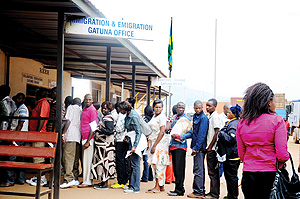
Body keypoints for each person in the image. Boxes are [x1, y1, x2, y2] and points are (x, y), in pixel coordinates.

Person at [236, 82, 289, 199]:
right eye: (274, 101)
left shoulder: (242, 123)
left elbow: (241, 155)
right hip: (270, 175)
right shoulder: (277, 121)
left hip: (249, 175)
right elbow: (282, 154)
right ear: (269, 102)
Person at [0, 93, 29, 187]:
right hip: (20, 136)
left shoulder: (23, 108)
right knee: (20, 158)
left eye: (20, 99)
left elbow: (21, 122)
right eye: (17, 98)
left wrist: (15, 137)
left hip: (18, 136)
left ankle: (9, 180)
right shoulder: (19, 108)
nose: (18, 100)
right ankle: (20, 179)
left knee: (11, 158)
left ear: (23, 99)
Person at [26, 88, 50, 186]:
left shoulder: (43, 103)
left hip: (39, 134)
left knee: (38, 157)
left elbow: (42, 117)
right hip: (35, 133)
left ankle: (42, 178)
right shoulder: (40, 103)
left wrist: (38, 132)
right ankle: (38, 177)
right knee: (35, 157)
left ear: (41, 94)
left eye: (37, 93)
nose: (35, 94)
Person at [167, 102, 192, 197]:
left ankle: (180, 189)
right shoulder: (174, 118)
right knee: (175, 169)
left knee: (179, 169)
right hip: (173, 145)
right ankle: (177, 188)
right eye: (179, 107)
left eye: (182, 107)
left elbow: (190, 133)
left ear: (184, 109)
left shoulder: (186, 119)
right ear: (176, 108)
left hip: (180, 146)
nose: (180, 109)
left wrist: (180, 136)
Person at [217, 104, 242, 199]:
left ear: (234, 114)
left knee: (231, 177)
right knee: (229, 177)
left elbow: (232, 139)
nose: (228, 113)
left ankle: (233, 196)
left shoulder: (233, 124)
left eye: (230, 112)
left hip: (232, 155)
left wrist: (221, 133)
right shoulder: (232, 122)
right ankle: (230, 195)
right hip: (231, 154)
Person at [146, 99, 170, 193]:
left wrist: (154, 145)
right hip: (154, 142)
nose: (158, 109)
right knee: (156, 165)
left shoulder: (162, 117)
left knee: (159, 165)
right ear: (153, 107)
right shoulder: (154, 116)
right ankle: (161, 186)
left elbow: (162, 131)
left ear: (162, 108)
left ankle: (157, 186)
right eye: (156, 107)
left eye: (160, 107)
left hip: (159, 143)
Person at [92, 101, 116, 189]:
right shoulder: (105, 117)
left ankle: (105, 184)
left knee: (106, 163)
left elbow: (110, 131)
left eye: (105, 108)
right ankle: (103, 182)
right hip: (102, 145)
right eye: (102, 108)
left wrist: (101, 129)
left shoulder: (108, 118)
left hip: (106, 145)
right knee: (103, 163)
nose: (103, 110)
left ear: (109, 109)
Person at [187, 100, 209, 199]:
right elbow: (194, 133)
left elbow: (201, 135)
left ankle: (199, 191)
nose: (198, 110)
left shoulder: (203, 118)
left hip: (200, 148)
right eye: (196, 108)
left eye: (199, 108)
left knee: (198, 170)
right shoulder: (195, 117)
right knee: (197, 169)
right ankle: (197, 189)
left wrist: (196, 148)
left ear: (202, 107)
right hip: (196, 147)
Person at [119, 101, 142, 193]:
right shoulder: (128, 115)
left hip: (136, 142)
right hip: (131, 140)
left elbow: (138, 131)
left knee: (135, 165)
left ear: (125, 109)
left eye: (121, 109)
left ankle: (135, 187)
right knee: (131, 164)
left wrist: (135, 146)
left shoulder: (134, 116)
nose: (120, 111)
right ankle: (131, 184)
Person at [60, 98, 82, 189]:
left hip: (70, 135)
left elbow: (67, 121)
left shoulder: (71, 107)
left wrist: (63, 134)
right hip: (78, 136)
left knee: (67, 158)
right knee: (75, 158)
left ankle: (68, 179)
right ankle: (75, 177)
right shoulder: (80, 110)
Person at [78, 94, 97, 188]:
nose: (88, 101)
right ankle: (87, 180)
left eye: (89, 100)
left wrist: (88, 141)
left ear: (92, 100)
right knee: (85, 160)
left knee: (88, 160)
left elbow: (93, 128)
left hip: (88, 139)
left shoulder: (92, 110)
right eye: (86, 100)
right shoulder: (85, 109)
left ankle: (88, 181)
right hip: (84, 137)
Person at [205, 98, 222, 199]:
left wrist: (210, 146)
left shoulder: (215, 117)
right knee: (211, 172)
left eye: (209, 106)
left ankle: (214, 194)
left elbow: (217, 132)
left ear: (215, 106)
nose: (207, 107)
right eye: (206, 105)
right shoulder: (210, 116)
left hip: (213, 150)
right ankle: (212, 192)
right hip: (210, 148)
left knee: (213, 173)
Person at [111, 101, 130, 189]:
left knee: (120, 161)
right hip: (125, 140)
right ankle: (125, 180)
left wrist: (114, 128)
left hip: (120, 140)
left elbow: (119, 128)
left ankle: (121, 181)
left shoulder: (121, 116)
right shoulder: (127, 115)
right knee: (124, 161)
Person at [141, 105, 154, 183]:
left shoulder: (145, 120)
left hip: (146, 141)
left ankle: (145, 177)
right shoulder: (153, 119)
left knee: (145, 160)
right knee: (150, 159)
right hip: (152, 141)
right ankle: (150, 176)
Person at [165, 105, 177, 184]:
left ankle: (168, 178)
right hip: (178, 139)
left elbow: (167, 128)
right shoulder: (180, 118)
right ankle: (174, 178)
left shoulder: (170, 118)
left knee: (169, 159)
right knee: (175, 160)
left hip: (170, 139)